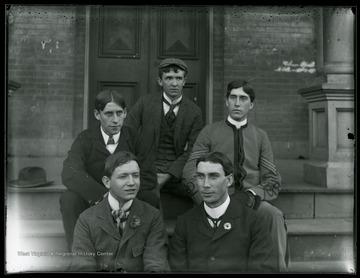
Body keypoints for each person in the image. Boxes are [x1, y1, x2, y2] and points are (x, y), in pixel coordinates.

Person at [182, 80, 289, 271]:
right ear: (226, 102)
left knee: (274, 215)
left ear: (251, 104)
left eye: (243, 98)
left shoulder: (260, 136)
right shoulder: (209, 132)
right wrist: (207, 199)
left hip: (250, 203)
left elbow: (272, 179)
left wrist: (251, 195)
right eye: (233, 98)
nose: (237, 103)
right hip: (215, 199)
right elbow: (190, 171)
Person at [60, 90, 158, 252]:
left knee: (150, 198)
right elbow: (70, 172)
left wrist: (120, 195)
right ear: (97, 115)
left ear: (125, 113)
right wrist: (102, 195)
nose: (115, 120)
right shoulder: (85, 139)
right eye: (108, 114)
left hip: (128, 199)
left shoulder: (136, 139)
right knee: (69, 198)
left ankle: (141, 249)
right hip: (94, 200)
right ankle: (77, 250)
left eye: (119, 113)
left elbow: (148, 175)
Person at [169, 152, 278, 273]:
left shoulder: (254, 221)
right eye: (200, 176)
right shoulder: (185, 222)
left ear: (229, 180)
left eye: (213, 177)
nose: (206, 184)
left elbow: (264, 269)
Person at [125, 58, 203, 215]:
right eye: (169, 78)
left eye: (178, 78)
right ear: (160, 81)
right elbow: (127, 136)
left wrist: (168, 174)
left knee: (203, 192)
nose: (174, 83)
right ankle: (157, 238)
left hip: (178, 171)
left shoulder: (194, 112)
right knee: (147, 197)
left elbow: (194, 150)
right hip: (147, 167)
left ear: (184, 81)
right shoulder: (144, 103)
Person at [71, 151, 170, 272]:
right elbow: (83, 266)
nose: (131, 183)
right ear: (107, 182)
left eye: (135, 175)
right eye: (123, 177)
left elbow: (156, 264)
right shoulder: (86, 220)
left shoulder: (152, 217)